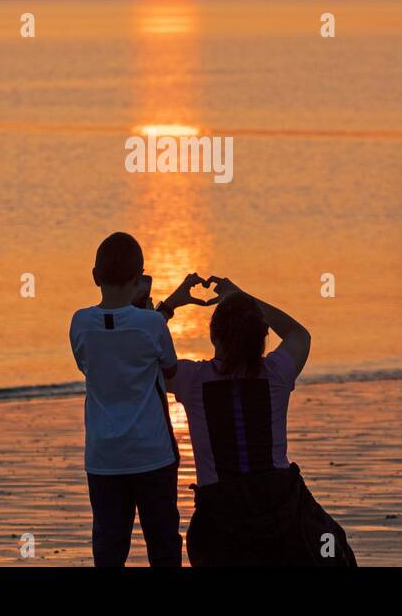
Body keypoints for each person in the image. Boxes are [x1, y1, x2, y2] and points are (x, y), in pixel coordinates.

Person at [166, 277, 357, 566]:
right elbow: (298, 334)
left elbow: (138, 356)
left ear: (213, 337)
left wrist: (169, 307)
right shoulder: (276, 373)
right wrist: (244, 297)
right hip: (279, 504)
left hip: (222, 513)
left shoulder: (192, 380)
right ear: (261, 337)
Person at [67, 234, 212, 567]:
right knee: (162, 543)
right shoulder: (151, 323)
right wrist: (157, 307)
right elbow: (170, 367)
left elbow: (91, 360)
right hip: (153, 453)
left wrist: (158, 308)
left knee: (108, 545)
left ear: (95, 277)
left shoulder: (79, 323)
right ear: (138, 278)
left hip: (103, 456)